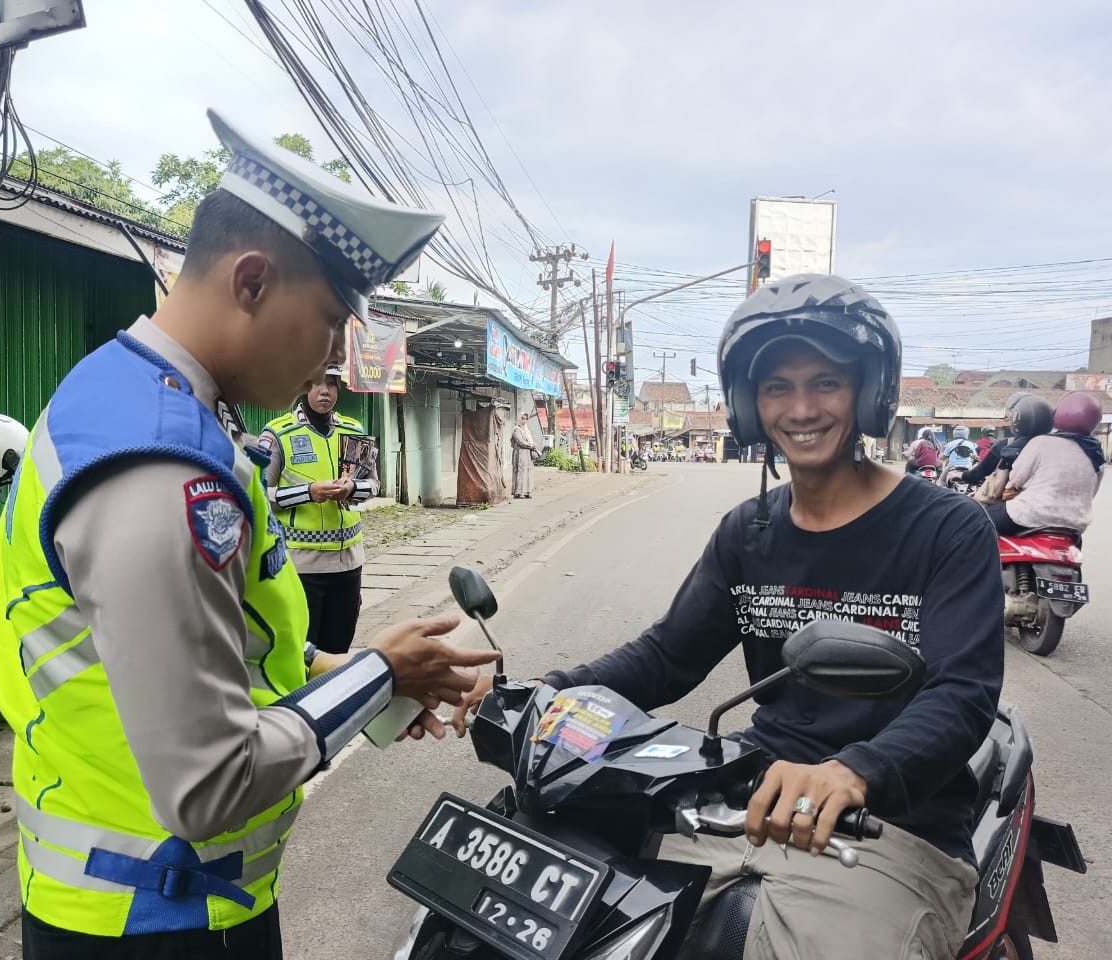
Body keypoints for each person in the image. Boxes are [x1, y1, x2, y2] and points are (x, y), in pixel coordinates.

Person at [0, 109, 499, 960]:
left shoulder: (127, 396)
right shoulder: (159, 469)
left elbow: (232, 660)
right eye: (331, 320)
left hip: (149, 894)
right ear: (251, 280)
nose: (332, 357)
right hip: (163, 915)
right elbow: (211, 783)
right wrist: (375, 676)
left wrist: (378, 681)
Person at [454, 274, 1003, 959]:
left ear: (868, 390)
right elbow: (668, 656)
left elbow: (962, 694)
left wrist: (851, 770)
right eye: (777, 387)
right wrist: (548, 691)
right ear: (747, 405)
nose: (801, 408)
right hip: (745, 797)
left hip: (890, 820)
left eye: (826, 382)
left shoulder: (946, 527)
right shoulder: (749, 532)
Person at [260, 367, 375, 655]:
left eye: (333, 385)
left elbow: (372, 484)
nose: (325, 391)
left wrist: (350, 489)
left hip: (348, 564)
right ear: (303, 386)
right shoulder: (279, 434)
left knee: (338, 650)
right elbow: (259, 494)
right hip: (300, 567)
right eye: (317, 384)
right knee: (302, 653)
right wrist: (309, 493)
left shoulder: (353, 430)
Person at [986, 392, 1105, 536]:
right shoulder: (1097, 456)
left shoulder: (1042, 442)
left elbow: (1017, 478)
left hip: (1028, 515)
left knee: (976, 519)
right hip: (1074, 525)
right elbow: (1091, 493)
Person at [511, 412, 538, 498]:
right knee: (520, 472)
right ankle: (518, 492)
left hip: (527, 453)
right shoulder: (516, 429)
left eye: (526, 419)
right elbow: (520, 441)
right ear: (519, 419)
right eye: (522, 418)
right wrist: (530, 445)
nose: (524, 421)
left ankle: (527, 492)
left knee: (528, 471)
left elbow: (530, 440)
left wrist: (533, 444)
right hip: (520, 453)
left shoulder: (527, 430)